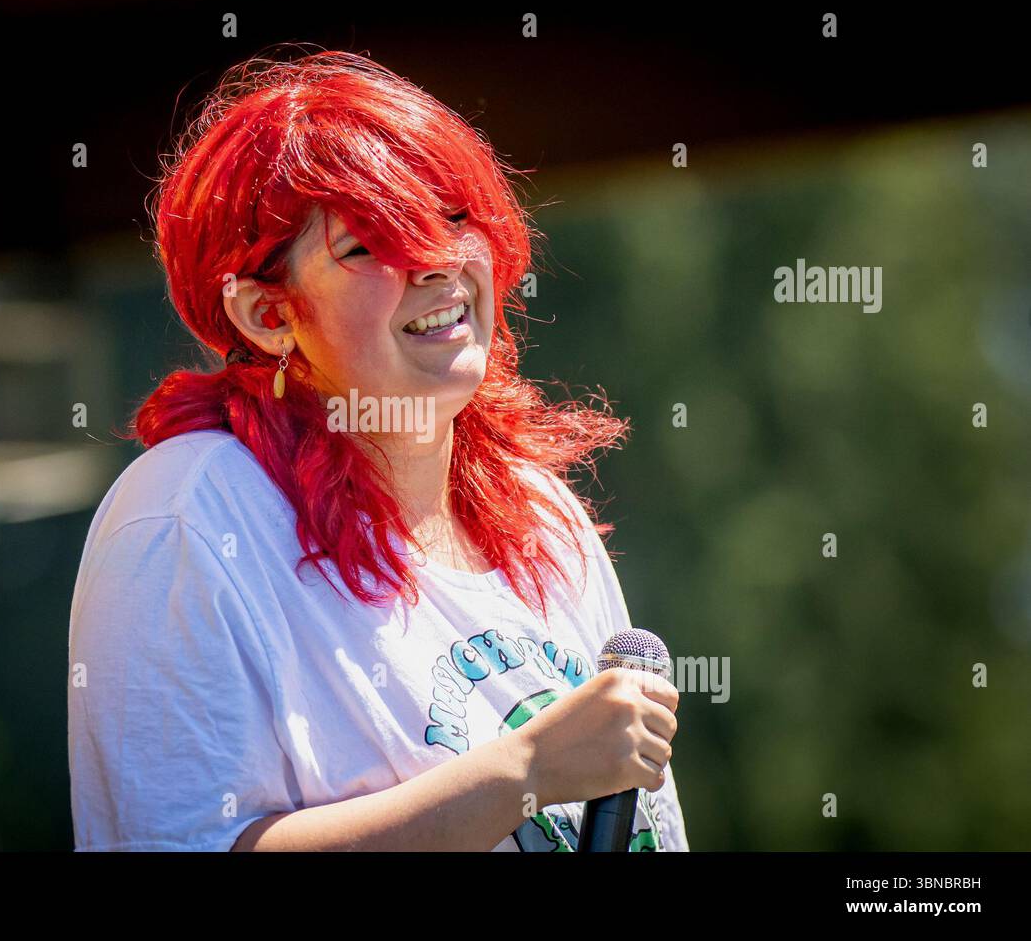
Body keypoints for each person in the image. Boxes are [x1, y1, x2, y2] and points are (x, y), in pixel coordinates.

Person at [67, 48, 687, 852]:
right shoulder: (188, 514)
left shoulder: (543, 515)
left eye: (453, 217)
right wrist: (523, 770)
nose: (437, 261)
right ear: (266, 314)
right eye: (369, 245)